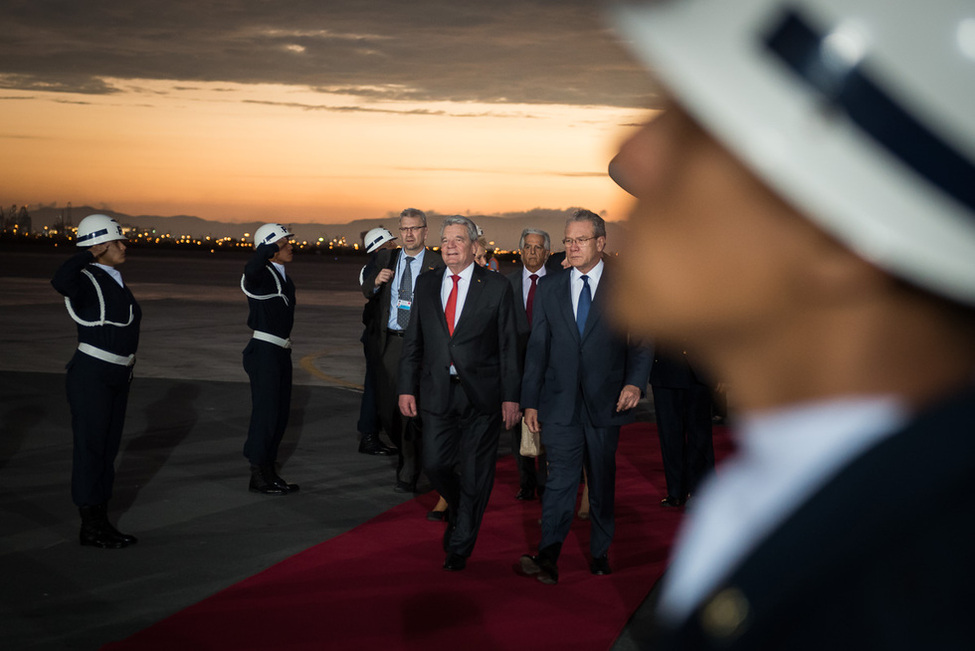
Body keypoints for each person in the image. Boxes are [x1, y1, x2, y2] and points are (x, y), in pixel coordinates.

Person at [607, 0, 975, 647]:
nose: (632, 155)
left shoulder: (912, 602)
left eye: (699, 127)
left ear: (839, 238)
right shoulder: (800, 500)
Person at [518, 209, 652, 584]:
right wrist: (530, 399)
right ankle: (548, 554)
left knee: (601, 478)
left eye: (580, 240)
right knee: (560, 480)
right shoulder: (551, 286)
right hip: (559, 404)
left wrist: (634, 383)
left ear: (600, 242)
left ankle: (599, 551)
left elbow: (642, 341)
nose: (571, 247)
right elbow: (538, 347)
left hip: (607, 402)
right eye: (568, 240)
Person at [398, 215, 521, 571]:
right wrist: (406, 387)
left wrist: (511, 397)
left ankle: (461, 543)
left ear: (473, 245)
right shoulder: (426, 284)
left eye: (458, 239)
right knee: (435, 463)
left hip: (481, 395)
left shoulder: (496, 286)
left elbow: (509, 346)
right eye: (446, 239)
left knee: (475, 472)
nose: (450, 245)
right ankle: (458, 506)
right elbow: (413, 341)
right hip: (436, 392)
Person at [51, 213, 141, 548]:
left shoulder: (114, 277)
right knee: (91, 449)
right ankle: (90, 527)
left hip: (118, 374)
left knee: (106, 449)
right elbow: (60, 280)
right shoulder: (84, 276)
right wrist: (89, 251)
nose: (123, 245)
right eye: (116, 241)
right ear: (100, 244)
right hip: (92, 374)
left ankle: (102, 521)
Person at [361, 208, 443, 493]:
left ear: (425, 231)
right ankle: (410, 450)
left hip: (422, 345)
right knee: (389, 409)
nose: (409, 234)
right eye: (404, 229)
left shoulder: (437, 262)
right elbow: (364, 288)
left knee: (417, 408)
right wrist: (375, 281)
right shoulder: (388, 258)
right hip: (393, 343)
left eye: (415, 228)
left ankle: (410, 469)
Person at [241, 223, 300, 495]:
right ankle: (258, 474)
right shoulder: (261, 273)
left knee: (279, 415)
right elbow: (250, 270)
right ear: (271, 248)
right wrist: (267, 249)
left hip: (280, 352)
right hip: (264, 351)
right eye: (284, 243)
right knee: (265, 415)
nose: (290, 246)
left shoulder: (282, 275)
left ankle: (269, 471)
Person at [506, 227, 552, 501]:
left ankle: (546, 482)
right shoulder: (506, 284)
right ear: (520, 250)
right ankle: (526, 482)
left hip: (549, 370)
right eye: (528, 247)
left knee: (545, 425)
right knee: (516, 426)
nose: (532, 252)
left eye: (538, 247)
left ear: (547, 252)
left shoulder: (559, 282)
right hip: (516, 368)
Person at [650, 347, 715, 508]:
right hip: (664, 368)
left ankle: (700, 491)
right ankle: (676, 491)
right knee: (669, 434)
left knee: (699, 435)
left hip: (700, 369)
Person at [356, 227, 397, 456]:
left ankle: (373, 434)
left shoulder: (384, 264)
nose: (395, 246)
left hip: (380, 336)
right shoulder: (375, 266)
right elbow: (370, 290)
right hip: (376, 337)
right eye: (391, 243)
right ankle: (369, 436)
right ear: (381, 247)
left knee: (379, 385)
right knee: (375, 386)